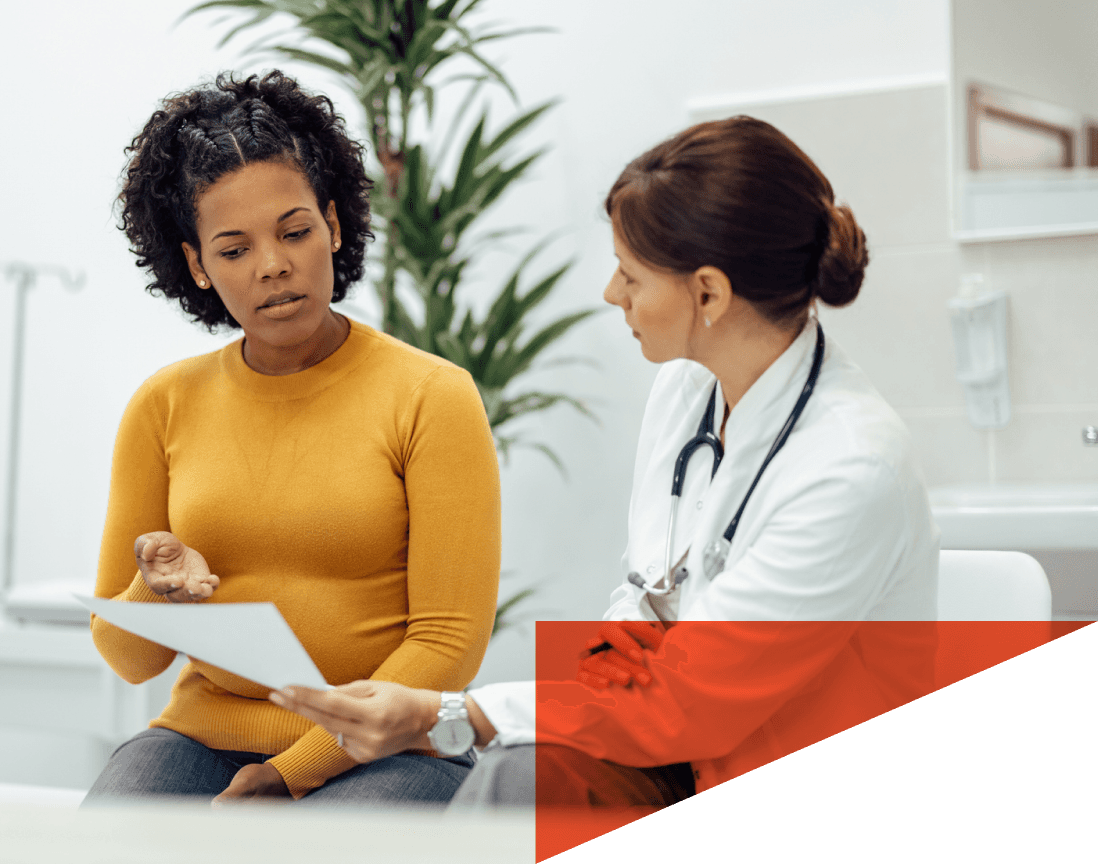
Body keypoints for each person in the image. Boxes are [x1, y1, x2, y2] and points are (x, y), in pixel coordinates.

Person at [267, 116, 940, 815]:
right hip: (685, 759)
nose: (612, 294)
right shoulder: (687, 388)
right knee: (516, 782)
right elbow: (644, 596)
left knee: (512, 775)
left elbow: (692, 698)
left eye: (631, 274)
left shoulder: (850, 470)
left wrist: (449, 713)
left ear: (708, 294)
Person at [83, 71, 502, 808]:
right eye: (234, 248)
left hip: (389, 745)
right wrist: (157, 590)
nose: (273, 264)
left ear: (334, 227)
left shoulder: (432, 396)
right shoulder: (163, 405)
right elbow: (126, 656)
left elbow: (447, 644)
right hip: (203, 737)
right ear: (197, 266)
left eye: (295, 231)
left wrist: (290, 773)